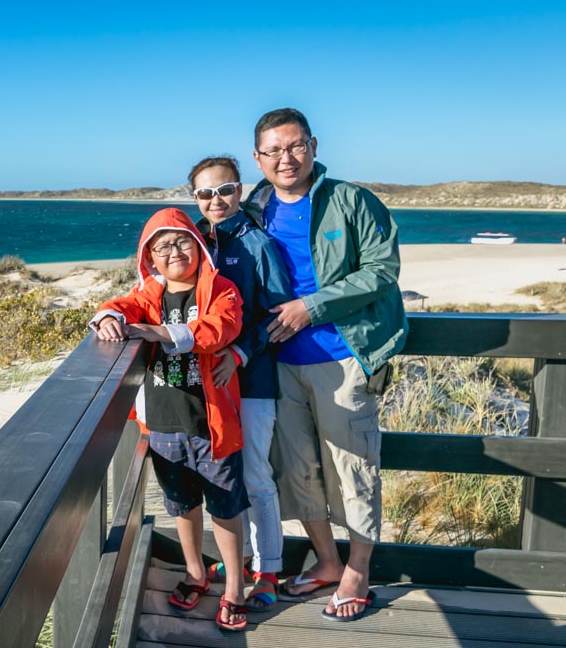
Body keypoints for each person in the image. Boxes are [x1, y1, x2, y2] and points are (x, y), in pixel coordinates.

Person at [244, 108, 407, 621]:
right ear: (258, 158)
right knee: (299, 470)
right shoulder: (254, 206)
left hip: (343, 358)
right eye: (273, 150)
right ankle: (328, 561)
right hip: (280, 365)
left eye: (294, 146)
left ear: (312, 146)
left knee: (353, 466)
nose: (285, 158)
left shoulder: (351, 200)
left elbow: (382, 270)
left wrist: (309, 308)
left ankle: (359, 569)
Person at [90, 207, 250, 631]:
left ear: (198, 247)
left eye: (181, 241)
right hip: (163, 424)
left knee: (225, 507)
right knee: (181, 506)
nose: (173, 252)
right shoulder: (149, 295)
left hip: (212, 424)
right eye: (161, 247)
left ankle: (234, 585)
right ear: (150, 258)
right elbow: (121, 305)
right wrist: (110, 317)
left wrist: (158, 333)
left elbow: (221, 327)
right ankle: (196, 571)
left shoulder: (220, 289)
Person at [189, 155, 293, 611]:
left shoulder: (258, 245)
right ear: (194, 197)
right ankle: (242, 560)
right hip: (206, 384)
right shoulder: (192, 240)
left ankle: (268, 569)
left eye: (226, 190)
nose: (216, 200)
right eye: (206, 193)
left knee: (254, 476)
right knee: (223, 478)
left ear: (239, 189)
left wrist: (239, 353)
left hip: (250, 380)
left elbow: (279, 317)